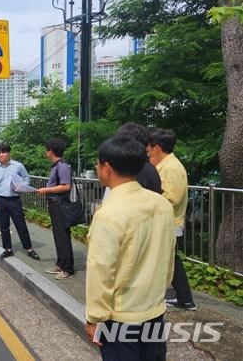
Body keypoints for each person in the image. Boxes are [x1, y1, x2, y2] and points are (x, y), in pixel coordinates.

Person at [85, 135, 175, 360]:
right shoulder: (161, 204)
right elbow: (168, 257)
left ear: (107, 167)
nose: (97, 168)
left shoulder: (108, 214)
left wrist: (94, 318)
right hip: (154, 308)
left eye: (98, 163)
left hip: (121, 316)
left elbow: (100, 271)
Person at [147, 128, 197, 311]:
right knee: (170, 261)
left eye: (149, 148)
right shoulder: (167, 165)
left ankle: (185, 299)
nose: (148, 152)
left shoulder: (171, 167)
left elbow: (173, 197)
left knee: (171, 262)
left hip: (169, 223)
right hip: (166, 222)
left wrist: (147, 199)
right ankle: (185, 299)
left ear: (157, 147)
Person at [0, 143, 40, 261]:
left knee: (20, 224)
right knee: (4, 226)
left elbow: (27, 178)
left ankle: (29, 248)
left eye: (4, 152)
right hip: (1, 199)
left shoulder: (18, 166)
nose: (1, 155)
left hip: (14, 199)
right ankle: (8, 249)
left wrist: (22, 186)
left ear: (9, 153)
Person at [36, 139, 74, 280]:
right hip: (55, 204)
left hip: (60, 204)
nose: (46, 152)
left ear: (51, 150)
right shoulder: (57, 165)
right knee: (58, 236)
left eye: (47, 149)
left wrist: (46, 190)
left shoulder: (62, 165)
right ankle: (60, 264)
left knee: (63, 236)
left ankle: (68, 269)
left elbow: (66, 186)